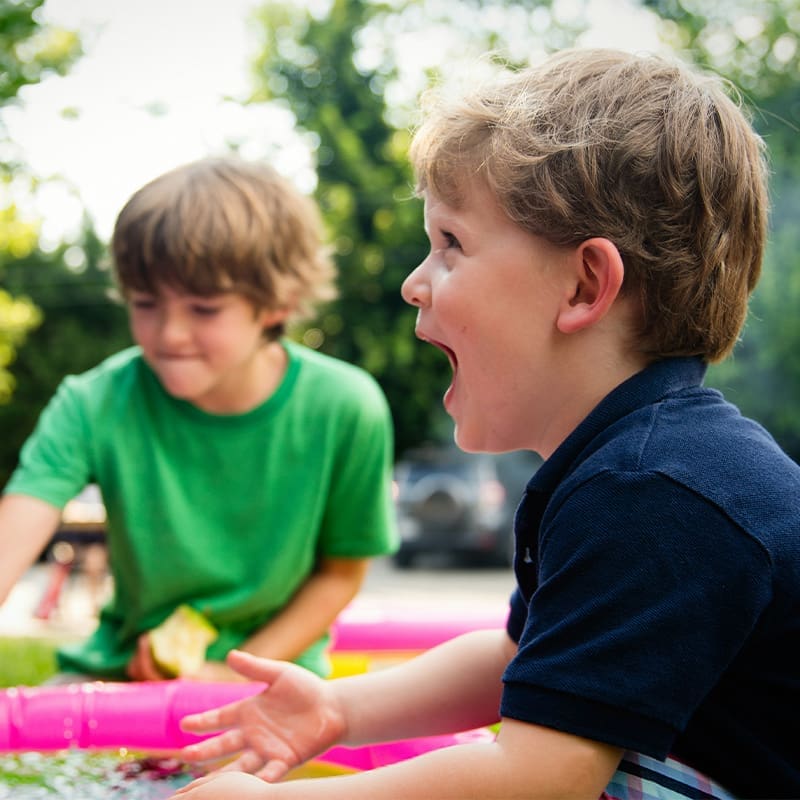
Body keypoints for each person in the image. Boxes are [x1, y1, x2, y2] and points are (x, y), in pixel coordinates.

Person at [166, 48, 800, 800]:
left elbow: (539, 777)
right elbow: (518, 656)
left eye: (451, 245)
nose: (412, 283)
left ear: (585, 284)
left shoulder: (653, 491)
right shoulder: (631, 463)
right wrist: (340, 708)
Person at [0, 156, 398, 682]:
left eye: (204, 309)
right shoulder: (92, 401)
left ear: (279, 302)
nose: (169, 335)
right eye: (145, 304)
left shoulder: (347, 406)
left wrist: (233, 673)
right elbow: (17, 529)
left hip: (273, 679)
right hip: (119, 674)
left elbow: (340, 575)